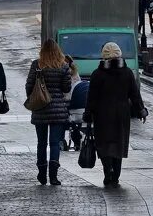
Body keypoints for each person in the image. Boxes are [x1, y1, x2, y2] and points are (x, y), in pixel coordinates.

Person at [84, 42, 146, 187]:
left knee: (104, 144)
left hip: (102, 115)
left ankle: (108, 170)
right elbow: (135, 95)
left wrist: (88, 114)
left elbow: (91, 98)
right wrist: (141, 111)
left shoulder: (97, 74)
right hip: (121, 115)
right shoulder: (127, 73)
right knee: (119, 144)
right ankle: (116, 175)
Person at [25, 39, 72, 185]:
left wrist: (36, 97)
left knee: (41, 143)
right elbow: (66, 88)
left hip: (40, 109)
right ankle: (53, 176)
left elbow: (29, 85)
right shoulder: (63, 66)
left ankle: (41, 173)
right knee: (55, 143)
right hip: (58, 109)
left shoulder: (37, 64)